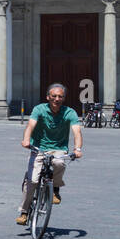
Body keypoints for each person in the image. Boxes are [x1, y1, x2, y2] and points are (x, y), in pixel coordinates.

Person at [16, 83, 83, 226]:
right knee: (32, 181)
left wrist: (78, 149)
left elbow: (77, 131)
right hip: (38, 147)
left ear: (64, 98)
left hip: (59, 148)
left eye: (60, 96)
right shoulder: (39, 109)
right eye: (54, 96)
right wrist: (26, 140)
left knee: (59, 163)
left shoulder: (69, 112)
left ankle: (55, 189)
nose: (57, 99)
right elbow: (30, 125)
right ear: (48, 97)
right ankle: (24, 211)